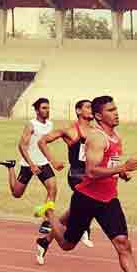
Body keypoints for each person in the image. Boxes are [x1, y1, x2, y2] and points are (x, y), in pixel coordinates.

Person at [34, 95, 137, 272]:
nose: (116, 113)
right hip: (87, 199)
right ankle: (48, 213)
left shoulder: (116, 137)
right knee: (66, 244)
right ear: (99, 116)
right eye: (111, 110)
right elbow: (91, 172)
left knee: (123, 244)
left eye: (116, 108)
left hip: (109, 199)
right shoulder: (97, 138)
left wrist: (121, 174)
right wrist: (122, 168)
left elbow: (107, 164)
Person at [0, 98, 60, 262]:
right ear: (37, 110)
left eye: (48, 108)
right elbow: (22, 146)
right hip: (28, 163)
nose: (47, 110)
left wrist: (52, 160)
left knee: (52, 188)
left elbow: (45, 145)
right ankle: (10, 167)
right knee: (17, 193)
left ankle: (47, 220)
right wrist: (31, 164)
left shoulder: (50, 125)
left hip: (43, 163)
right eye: (44, 108)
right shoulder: (31, 125)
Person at [37, 99, 96, 251]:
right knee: (89, 201)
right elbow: (42, 141)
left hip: (91, 175)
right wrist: (53, 161)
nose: (91, 110)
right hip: (76, 174)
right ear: (78, 111)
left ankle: (46, 240)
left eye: (92, 108)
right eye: (88, 107)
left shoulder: (97, 132)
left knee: (74, 210)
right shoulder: (69, 130)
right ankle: (84, 229)